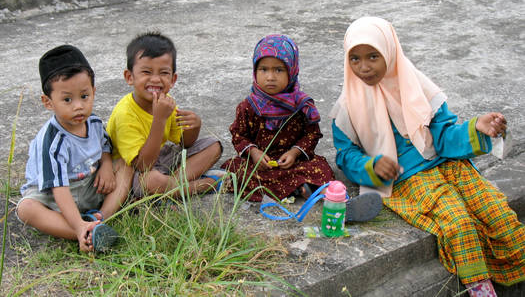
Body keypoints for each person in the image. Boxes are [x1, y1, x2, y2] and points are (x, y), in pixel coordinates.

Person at [330, 16, 525, 296]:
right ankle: (481, 289)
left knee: (496, 212)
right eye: (355, 59)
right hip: (409, 177)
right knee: (459, 223)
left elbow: (444, 136)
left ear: (390, 51)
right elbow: (345, 155)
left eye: (373, 56)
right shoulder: (347, 107)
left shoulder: (417, 87)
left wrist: (477, 128)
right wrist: (370, 166)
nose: (364, 67)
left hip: (448, 164)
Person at [221, 34, 382, 222]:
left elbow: (312, 134)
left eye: (279, 70)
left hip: (294, 162)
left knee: (320, 168)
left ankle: (329, 200)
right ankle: (301, 189)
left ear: (292, 71)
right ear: (255, 70)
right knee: (236, 171)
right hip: (260, 165)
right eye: (263, 69)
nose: (270, 77)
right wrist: (254, 152)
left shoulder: (301, 105)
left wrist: (295, 153)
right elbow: (239, 135)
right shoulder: (248, 106)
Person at [17, 45, 131, 252]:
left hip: (89, 184)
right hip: (54, 196)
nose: (78, 106)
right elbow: (58, 189)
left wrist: (106, 165)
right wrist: (77, 226)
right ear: (48, 102)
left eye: (84, 96)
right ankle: (84, 232)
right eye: (67, 99)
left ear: (94, 92)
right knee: (26, 209)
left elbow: (105, 145)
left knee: (125, 166)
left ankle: (100, 217)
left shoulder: (94, 123)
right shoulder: (53, 140)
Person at [106, 32, 224, 199]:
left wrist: (194, 127)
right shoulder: (125, 114)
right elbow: (143, 165)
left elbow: (185, 144)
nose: (155, 79)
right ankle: (196, 187)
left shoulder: (166, 102)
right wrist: (159, 120)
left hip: (161, 158)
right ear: (129, 77)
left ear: (173, 79)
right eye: (146, 72)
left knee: (214, 146)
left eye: (163, 73)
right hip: (134, 172)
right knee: (151, 180)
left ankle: (171, 185)